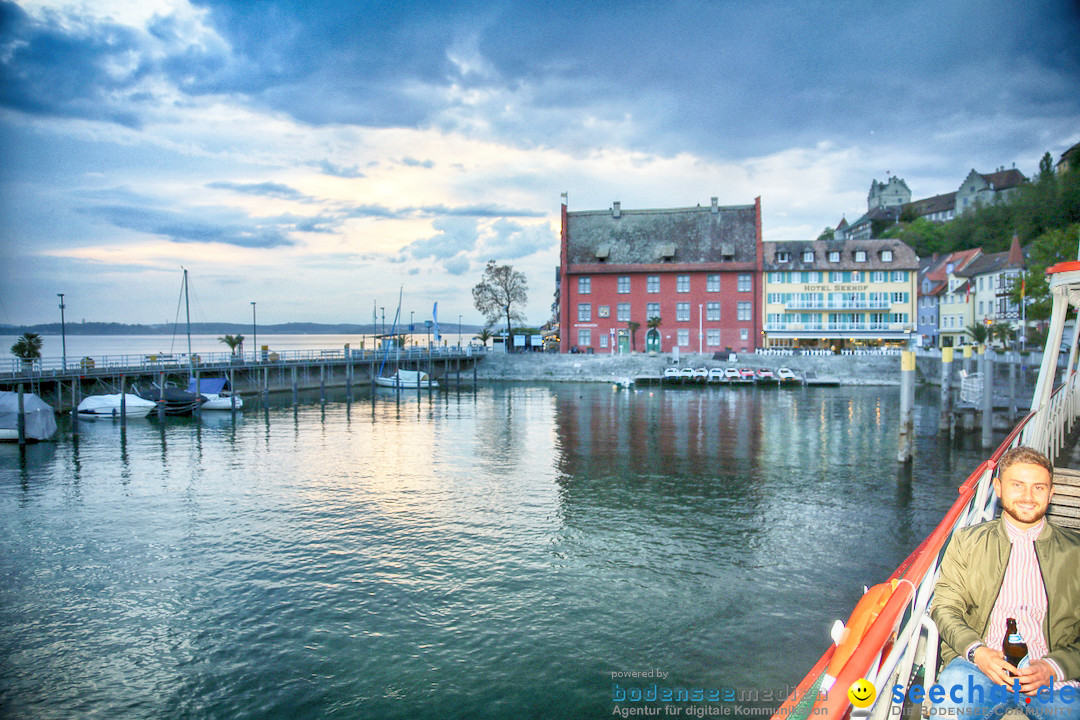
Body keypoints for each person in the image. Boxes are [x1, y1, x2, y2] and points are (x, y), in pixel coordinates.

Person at [930, 445, 1080, 720]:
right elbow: (945, 607)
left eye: (1038, 487)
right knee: (950, 711)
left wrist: (1055, 666)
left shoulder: (1076, 552)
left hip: (1052, 676)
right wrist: (977, 651)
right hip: (980, 668)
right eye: (1017, 485)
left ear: (1051, 493)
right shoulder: (967, 542)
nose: (1027, 497)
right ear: (998, 488)